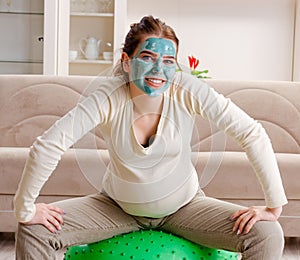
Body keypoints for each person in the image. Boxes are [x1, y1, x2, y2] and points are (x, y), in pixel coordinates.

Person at [14, 16, 287, 260]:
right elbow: (49, 144)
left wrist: (273, 205)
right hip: (116, 207)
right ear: (126, 61)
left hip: (185, 207)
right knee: (33, 230)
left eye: (168, 62)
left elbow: (251, 133)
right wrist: (24, 208)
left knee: (267, 233)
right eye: (147, 58)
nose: (158, 70)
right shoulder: (108, 96)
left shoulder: (186, 90)